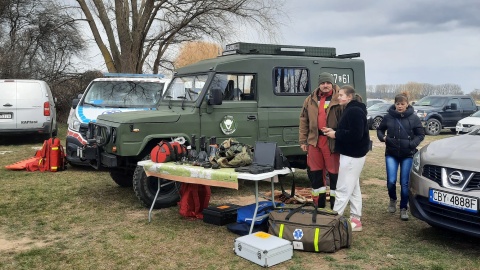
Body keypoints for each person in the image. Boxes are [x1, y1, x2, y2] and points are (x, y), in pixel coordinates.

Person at [322, 85, 370, 232]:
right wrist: (335, 131)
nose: (339, 97)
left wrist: (336, 135)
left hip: (352, 156)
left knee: (343, 189)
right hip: (352, 155)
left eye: (341, 95)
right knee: (354, 188)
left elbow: (356, 135)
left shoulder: (354, 111)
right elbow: (351, 131)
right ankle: (356, 220)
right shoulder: (352, 109)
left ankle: (333, 221)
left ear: (349, 97)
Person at [376, 92, 425, 221]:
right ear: (395, 104)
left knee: (404, 183)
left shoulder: (414, 118)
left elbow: (421, 134)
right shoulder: (389, 117)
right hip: (391, 154)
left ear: (407, 104)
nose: (400, 106)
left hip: (407, 155)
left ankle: (404, 207)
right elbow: (380, 130)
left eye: (402, 104)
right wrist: (383, 138)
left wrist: (411, 144)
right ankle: (392, 199)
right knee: (391, 181)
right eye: (397, 104)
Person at [299, 72, 343, 209]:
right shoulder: (310, 99)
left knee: (335, 173)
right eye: (323, 83)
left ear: (332, 84)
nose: (325, 85)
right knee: (316, 172)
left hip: (331, 142)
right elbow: (303, 120)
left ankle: (336, 206)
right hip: (314, 141)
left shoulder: (340, 98)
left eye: (328, 83)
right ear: (319, 84)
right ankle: (319, 204)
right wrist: (303, 141)